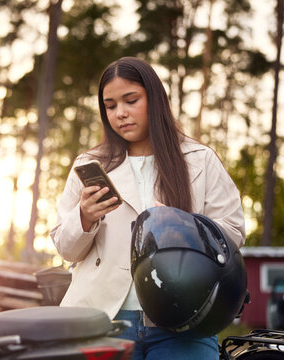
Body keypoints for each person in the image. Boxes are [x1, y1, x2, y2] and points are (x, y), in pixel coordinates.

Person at [50, 56, 245, 360]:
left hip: (185, 319)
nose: (121, 113)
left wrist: (183, 227)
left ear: (154, 98)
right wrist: (85, 217)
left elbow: (232, 233)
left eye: (131, 100)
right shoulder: (89, 165)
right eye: (110, 105)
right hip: (102, 319)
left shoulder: (200, 159)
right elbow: (66, 249)